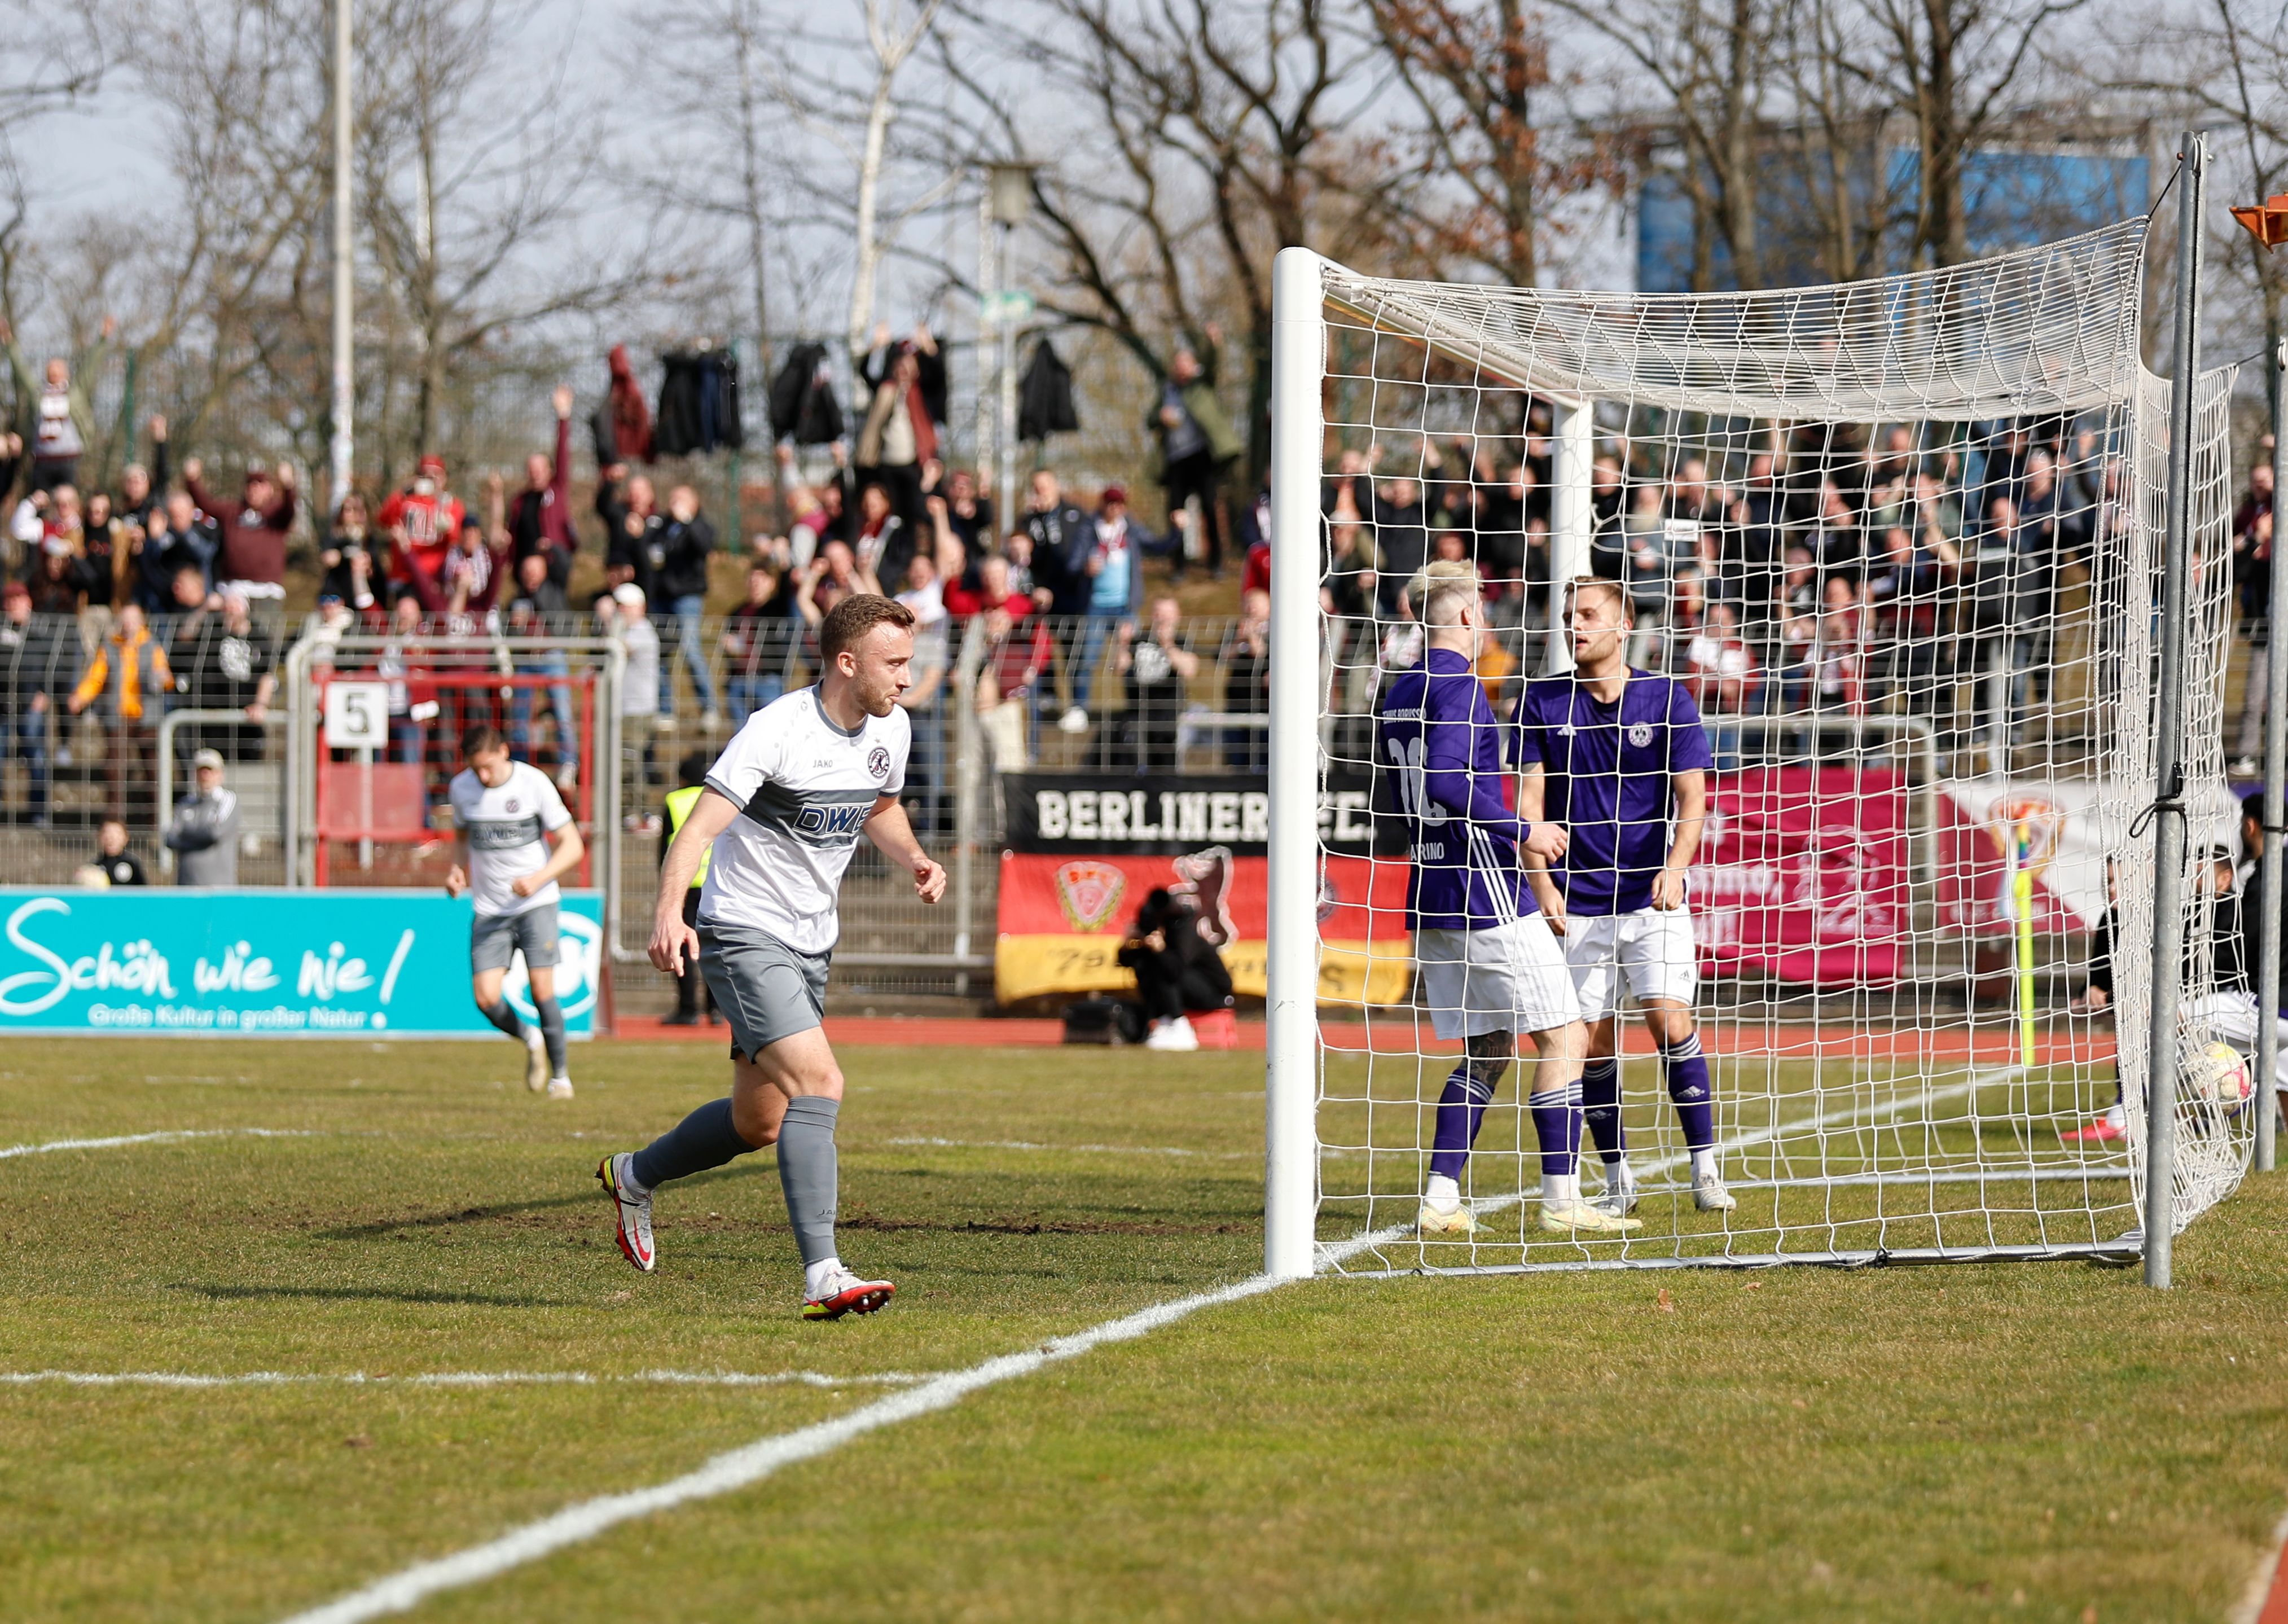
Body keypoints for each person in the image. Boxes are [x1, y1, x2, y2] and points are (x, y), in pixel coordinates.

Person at [598, 592, 947, 1320]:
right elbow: (695, 831)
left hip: (812, 941)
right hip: (743, 933)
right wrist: (667, 914)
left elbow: (879, 806)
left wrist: (914, 856)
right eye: (896, 664)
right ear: (847, 663)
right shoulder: (776, 730)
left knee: (759, 1121)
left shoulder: (894, 729)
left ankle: (633, 1176)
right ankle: (823, 1274)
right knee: (821, 1082)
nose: (908, 679)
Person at [1377, 561, 1631, 1237]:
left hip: (1428, 887)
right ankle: (1561, 1199)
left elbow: (1397, 791)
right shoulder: (1459, 683)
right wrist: (1525, 829)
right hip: (1480, 884)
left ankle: (1438, 1198)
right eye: (1482, 609)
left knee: (1489, 1046)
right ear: (1466, 617)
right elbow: (1442, 779)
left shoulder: (1397, 688)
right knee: (1567, 1033)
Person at [1514, 577, 1735, 1217]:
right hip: (1575, 904)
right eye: (1567, 616)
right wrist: (1540, 884)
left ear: (1622, 626)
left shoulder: (1665, 697)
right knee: (1588, 1043)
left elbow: (1692, 798)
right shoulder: (1541, 699)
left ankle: (1705, 1170)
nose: (1573, 626)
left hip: (1648, 899)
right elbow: (1528, 805)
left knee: (1668, 1018)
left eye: (1587, 615)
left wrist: (1675, 867)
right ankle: (1616, 1178)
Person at [443, 723, 586, 1100]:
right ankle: (529, 1036)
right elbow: (462, 839)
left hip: (535, 903)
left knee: (542, 990)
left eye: (488, 766)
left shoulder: (534, 783)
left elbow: (572, 846)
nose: (483, 776)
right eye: (477, 770)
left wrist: (540, 878)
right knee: (485, 998)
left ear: (504, 752)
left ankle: (561, 1078)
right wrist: (458, 870)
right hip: (490, 909)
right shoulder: (461, 789)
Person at [1147, 330, 1242, 579]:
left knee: (1209, 508)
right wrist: (1161, 417)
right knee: (1176, 512)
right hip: (1176, 459)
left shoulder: (1202, 385)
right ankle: (1178, 566)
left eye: (1186, 364)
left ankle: (1216, 562)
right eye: (1178, 364)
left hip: (1201, 455)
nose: (1181, 368)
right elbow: (1150, 419)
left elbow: (1213, 364)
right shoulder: (1167, 389)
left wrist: (1212, 344)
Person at [69, 602, 171, 826]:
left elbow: (166, 677)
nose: (128, 625)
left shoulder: (152, 646)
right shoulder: (109, 647)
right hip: (118, 717)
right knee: (114, 771)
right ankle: (115, 822)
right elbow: (96, 678)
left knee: (153, 770)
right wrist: (80, 697)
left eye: (133, 620)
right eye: (125, 620)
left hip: (148, 718)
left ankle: (156, 820)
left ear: (141, 622)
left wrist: (162, 679)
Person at [1057, 482, 1145, 734]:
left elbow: (1157, 544)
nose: (1114, 507)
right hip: (1095, 605)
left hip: (1125, 607)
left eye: (1119, 503)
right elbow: (1072, 565)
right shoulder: (1088, 529)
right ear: (1102, 503)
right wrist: (1085, 568)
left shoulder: (1131, 529)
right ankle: (1079, 708)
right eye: (1110, 502)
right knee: (1086, 659)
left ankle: (1136, 709)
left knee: (1132, 659)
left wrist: (1176, 531)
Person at [1116, 887, 1235, 1051]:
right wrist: (1128, 944)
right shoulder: (1156, 934)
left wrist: (1161, 949)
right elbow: (1127, 962)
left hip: (1214, 993)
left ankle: (1180, 1027)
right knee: (1146, 967)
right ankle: (1162, 1021)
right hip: (1185, 987)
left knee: (1164, 971)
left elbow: (1175, 970)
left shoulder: (1184, 933)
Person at [659, 750, 720, 1028]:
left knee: (683, 949)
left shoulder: (675, 800)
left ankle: (688, 1009)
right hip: (716, 883)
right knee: (715, 948)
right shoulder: (719, 797)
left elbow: (665, 849)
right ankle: (717, 1009)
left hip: (686, 884)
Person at [183, 456, 296, 599]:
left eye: (260, 485)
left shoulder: (276, 515)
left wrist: (288, 485)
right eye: (250, 484)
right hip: (235, 588)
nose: (254, 489)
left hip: (267, 589)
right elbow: (206, 504)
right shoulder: (233, 512)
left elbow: (290, 509)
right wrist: (192, 480)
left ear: (269, 489)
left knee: (265, 622)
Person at [654, 484, 719, 725]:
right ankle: (665, 709)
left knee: (691, 649)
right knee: (661, 655)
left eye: (679, 499)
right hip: (663, 598)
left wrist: (688, 522)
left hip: (688, 597)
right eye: (672, 498)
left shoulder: (701, 525)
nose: (673, 503)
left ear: (694, 503)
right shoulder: (663, 525)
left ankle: (709, 706)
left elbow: (703, 547)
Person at [0, 581, 60, 825]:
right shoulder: (2, 632)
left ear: (29, 602)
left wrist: (46, 693)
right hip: (3, 705)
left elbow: (57, 666)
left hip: (32, 704)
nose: (14, 605)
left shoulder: (43, 631)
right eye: (9, 601)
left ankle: (39, 812)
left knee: (37, 758)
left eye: (18, 600)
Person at [1115, 596, 1197, 771]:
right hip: (1138, 713)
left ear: (1177, 616)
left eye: (1168, 613)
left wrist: (1167, 645)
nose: (1163, 618)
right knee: (1134, 764)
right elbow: (1119, 668)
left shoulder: (1183, 641)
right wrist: (1122, 644)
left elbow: (1189, 671)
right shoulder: (1140, 640)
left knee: (1166, 765)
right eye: (1159, 613)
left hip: (1168, 715)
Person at [607, 582, 662, 828]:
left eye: (624, 607)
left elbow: (619, 649)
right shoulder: (631, 631)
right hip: (626, 709)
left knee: (632, 763)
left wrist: (608, 622)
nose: (620, 613)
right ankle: (633, 810)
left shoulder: (642, 632)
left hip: (637, 711)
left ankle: (642, 812)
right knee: (628, 763)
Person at [164, 748, 240, 885]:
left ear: (220, 774)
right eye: (201, 771)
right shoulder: (185, 803)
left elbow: (214, 833)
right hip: (187, 885)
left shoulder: (227, 799)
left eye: (210, 770)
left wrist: (186, 833)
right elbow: (170, 839)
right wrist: (201, 837)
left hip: (219, 888)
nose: (206, 775)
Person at [94, 819, 147, 887]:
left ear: (126, 838)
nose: (111, 839)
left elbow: (144, 890)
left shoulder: (132, 863)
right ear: (100, 837)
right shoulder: (95, 866)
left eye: (116, 834)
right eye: (107, 834)